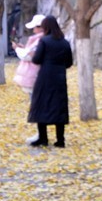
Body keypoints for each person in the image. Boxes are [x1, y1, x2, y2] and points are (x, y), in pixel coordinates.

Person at [27, 15, 73, 147]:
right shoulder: (65, 42)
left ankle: (43, 138)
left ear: (46, 27)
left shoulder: (44, 41)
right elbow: (69, 62)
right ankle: (60, 139)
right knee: (59, 106)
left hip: (45, 77)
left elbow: (36, 60)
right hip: (59, 77)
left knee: (42, 104)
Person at [13, 13, 45, 95]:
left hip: (35, 74)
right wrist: (24, 48)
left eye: (34, 27)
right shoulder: (39, 39)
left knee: (35, 100)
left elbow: (28, 56)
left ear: (41, 28)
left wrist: (17, 49)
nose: (33, 30)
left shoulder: (41, 40)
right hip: (37, 74)